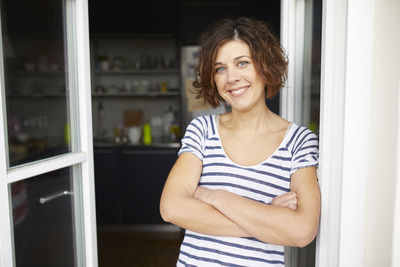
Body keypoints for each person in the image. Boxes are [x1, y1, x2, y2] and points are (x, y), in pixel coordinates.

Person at [160, 17, 320, 266]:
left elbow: (302, 232)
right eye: (220, 68)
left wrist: (215, 197)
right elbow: (171, 208)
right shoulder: (202, 130)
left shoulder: (299, 141)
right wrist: (269, 215)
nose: (231, 78)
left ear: (265, 66)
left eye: (242, 63)